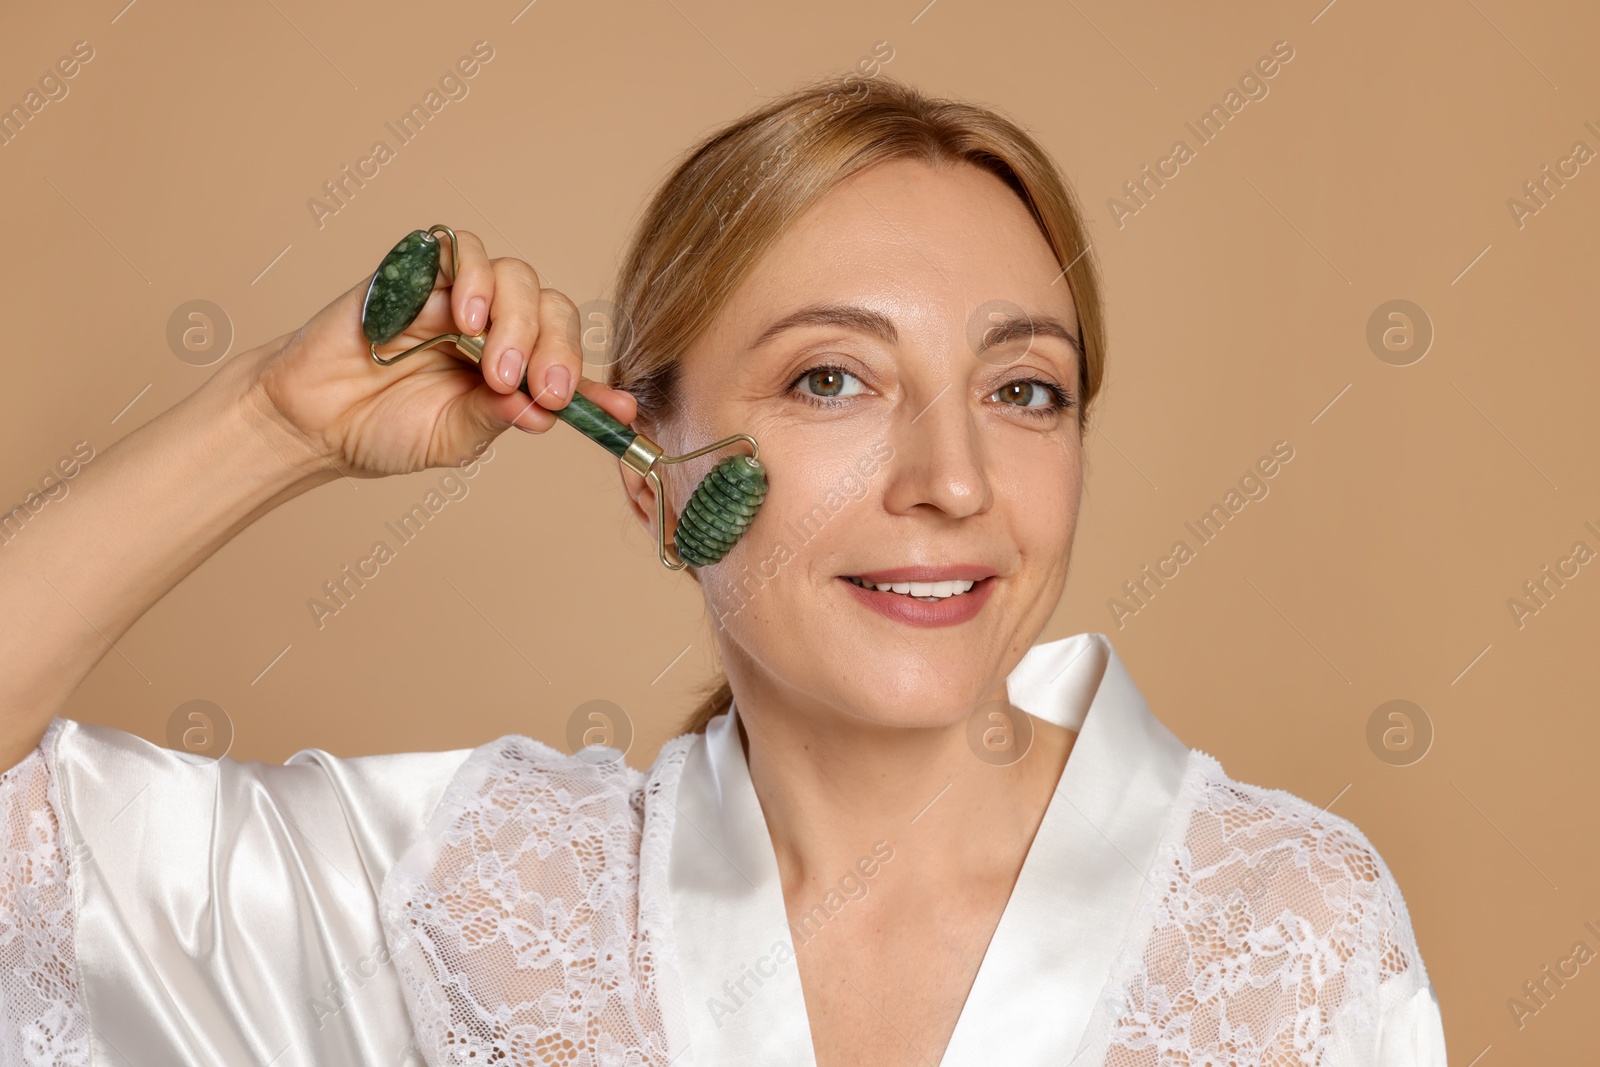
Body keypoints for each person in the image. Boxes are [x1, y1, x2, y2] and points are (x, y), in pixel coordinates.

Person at [0, 76, 1446, 1066]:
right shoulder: (471, 897)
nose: (951, 480)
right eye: (832, 379)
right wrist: (271, 422)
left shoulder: (1286, 919)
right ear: (646, 461)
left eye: (1025, 391)